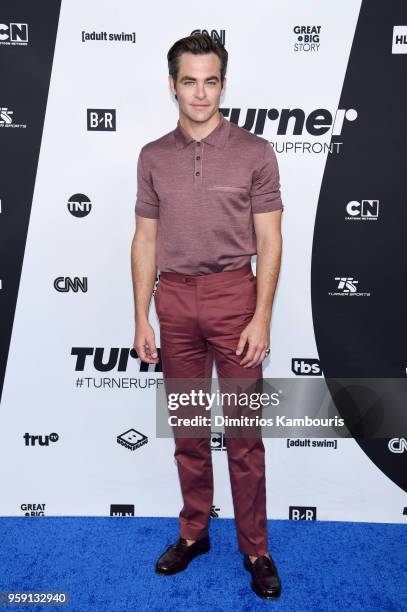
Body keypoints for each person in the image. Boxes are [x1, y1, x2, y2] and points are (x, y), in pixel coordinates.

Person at [131, 33, 283, 600]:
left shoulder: (255, 152)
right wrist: (142, 317)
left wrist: (261, 315)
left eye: (210, 80)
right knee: (189, 432)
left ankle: (256, 548)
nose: (200, 92)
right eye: (189, 80)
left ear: (223, 83)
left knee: (245, 436)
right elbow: (144, 240)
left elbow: (271, 240)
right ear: (173, 84)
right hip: (173, 303)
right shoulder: (151, 156)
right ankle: (194, 534)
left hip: (233, 300)